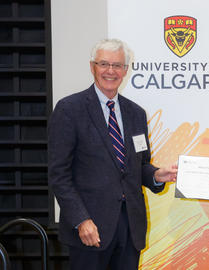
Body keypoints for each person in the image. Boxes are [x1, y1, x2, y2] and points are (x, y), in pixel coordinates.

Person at [48, 38, 177, 270]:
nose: (110, 71)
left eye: (117, 65)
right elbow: (59, 175)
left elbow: (139, 166)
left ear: (125, 70)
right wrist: (81, 220)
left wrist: (157, 175)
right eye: (104, 64)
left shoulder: (136, 113)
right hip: (90, 229)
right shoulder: (70, 109)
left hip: (130, 228)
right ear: (92, 67)